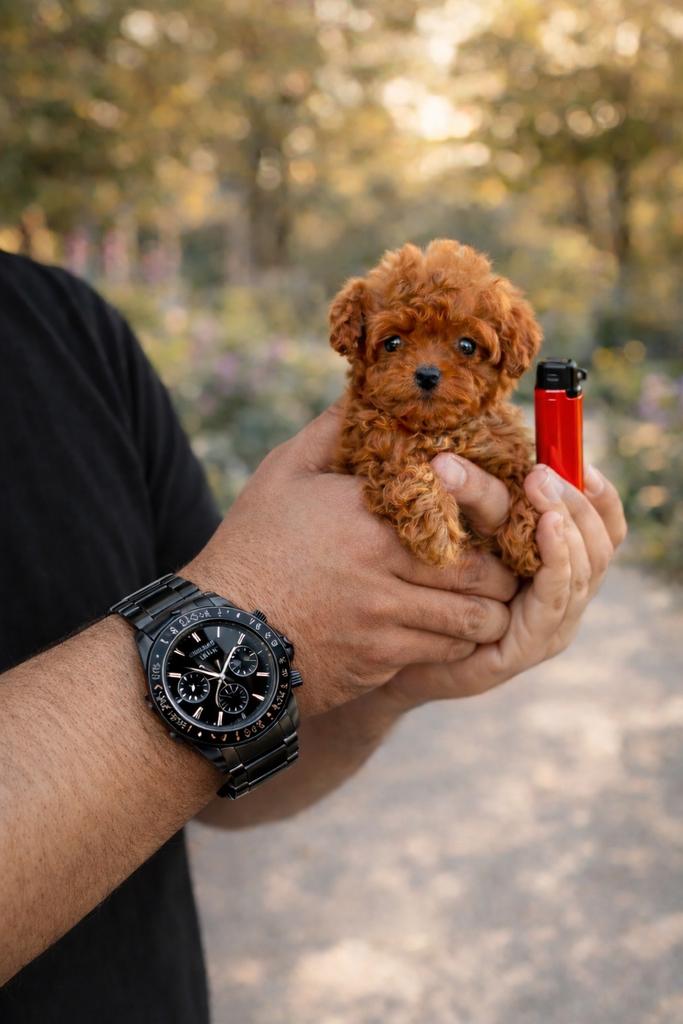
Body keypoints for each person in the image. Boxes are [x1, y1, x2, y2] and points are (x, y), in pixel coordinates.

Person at [0, 249, 626, 1023]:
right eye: (396, 345)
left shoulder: (71, 328)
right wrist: (255, 605)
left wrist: (385, 677)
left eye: (465, 350)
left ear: (505, 358)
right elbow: (275, 596)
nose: (429, 370)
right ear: (357, 344)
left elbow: (227, 784)